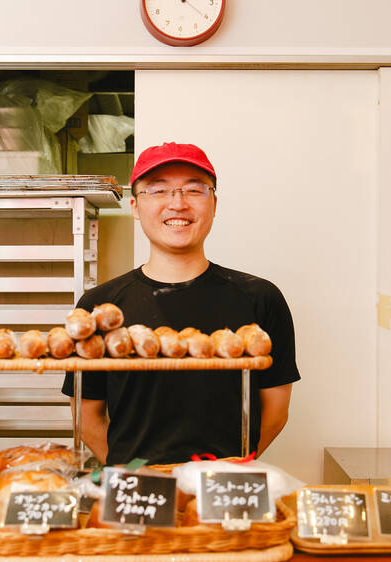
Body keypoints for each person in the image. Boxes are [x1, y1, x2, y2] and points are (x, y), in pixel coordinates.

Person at [61, 142, 299, 465]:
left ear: (214, 203)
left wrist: (227, 470)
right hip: (136, 494)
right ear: (134, 207)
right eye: (158, 191)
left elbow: (275, 412)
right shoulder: (100, 309)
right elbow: (86, 419)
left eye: (194, 190)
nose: (178, 203)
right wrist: (133, 473)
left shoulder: (260, 299)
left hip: (221, 492)